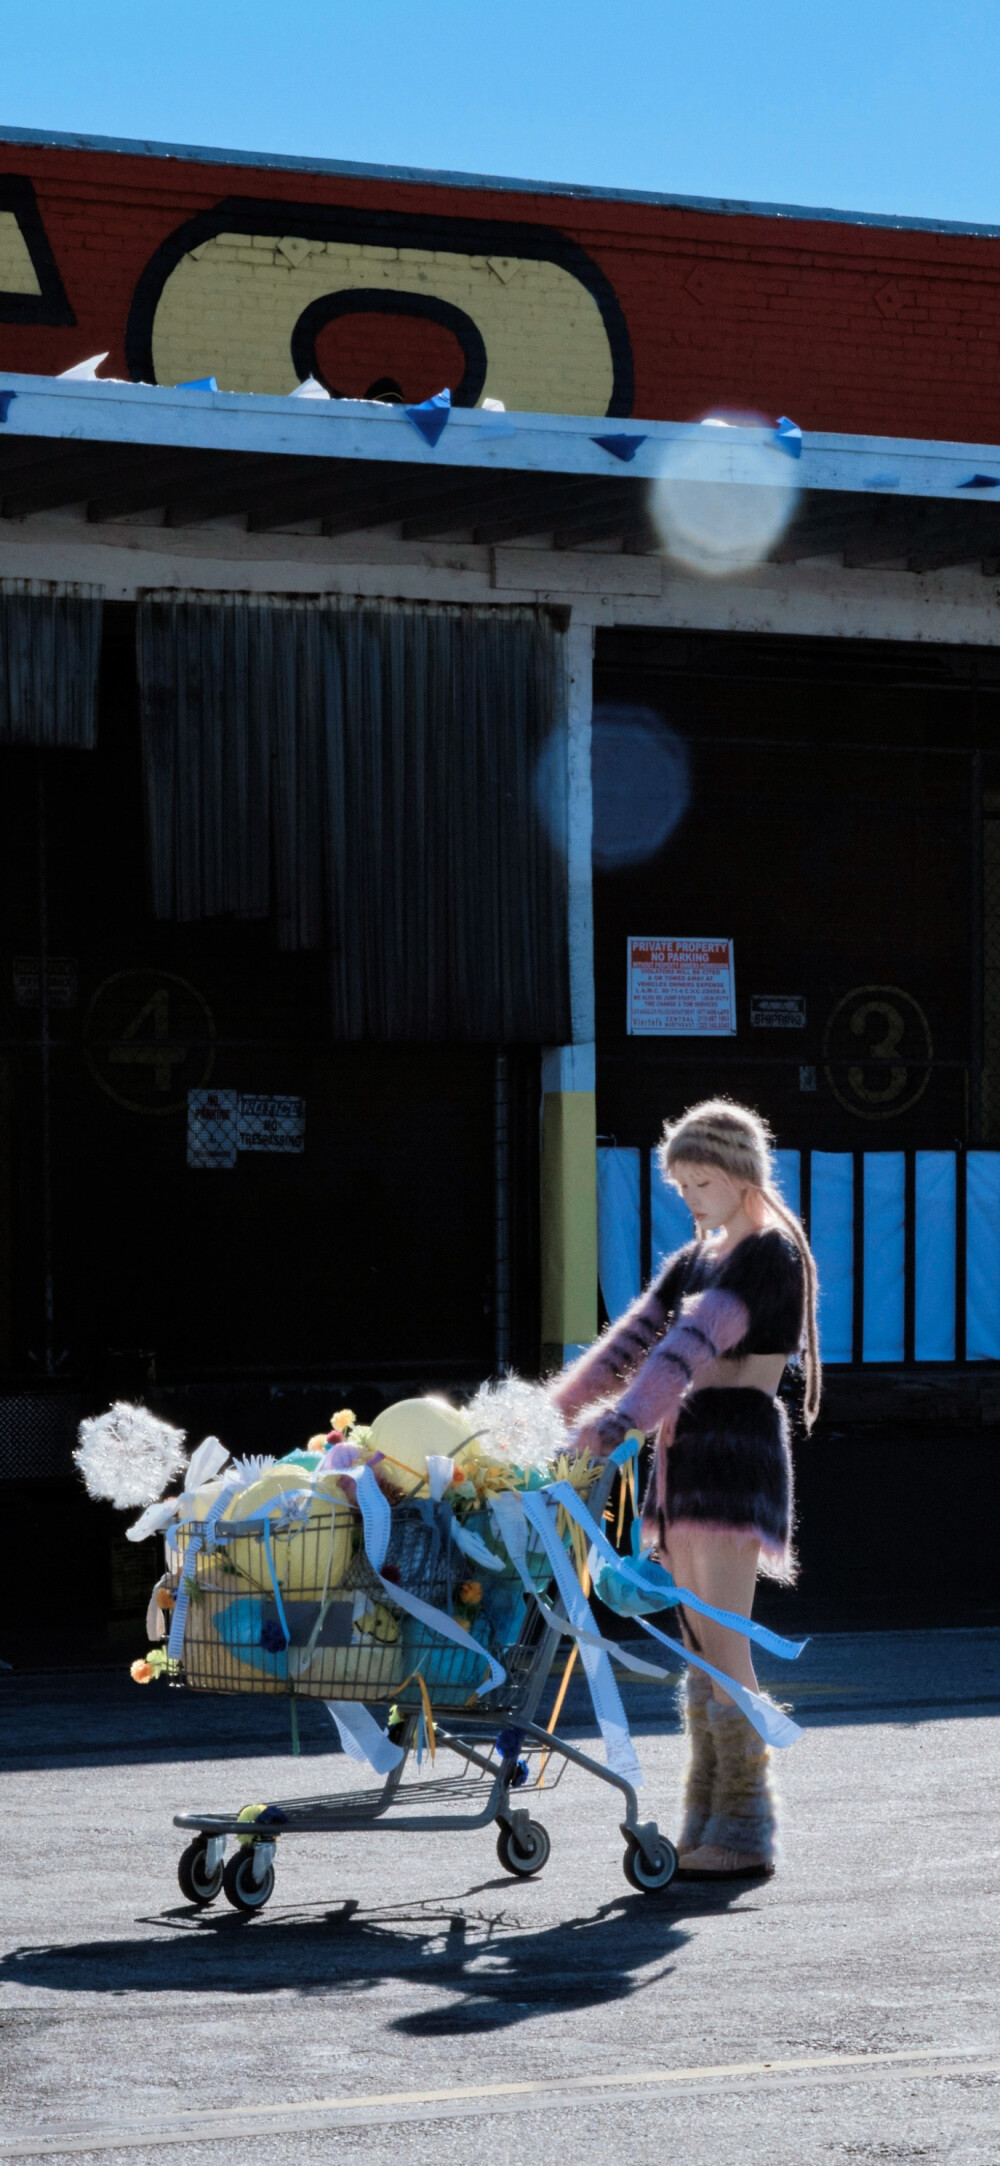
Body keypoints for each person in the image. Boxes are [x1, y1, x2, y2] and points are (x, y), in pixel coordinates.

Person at [549, 1098, 820, 1882]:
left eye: (704, 1182)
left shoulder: (771, 1254)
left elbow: (689, 1345)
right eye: (685, 1185)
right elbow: (629, 1342)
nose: (694, 1196)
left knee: (724, 1641)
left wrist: (621, 1421)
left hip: (732, 1447)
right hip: (686, 1451)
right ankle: (710, 1818)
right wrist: (541, 1418)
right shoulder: (699, 1255)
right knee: (699, 1647)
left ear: (743, 1175)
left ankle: (742, 1829)